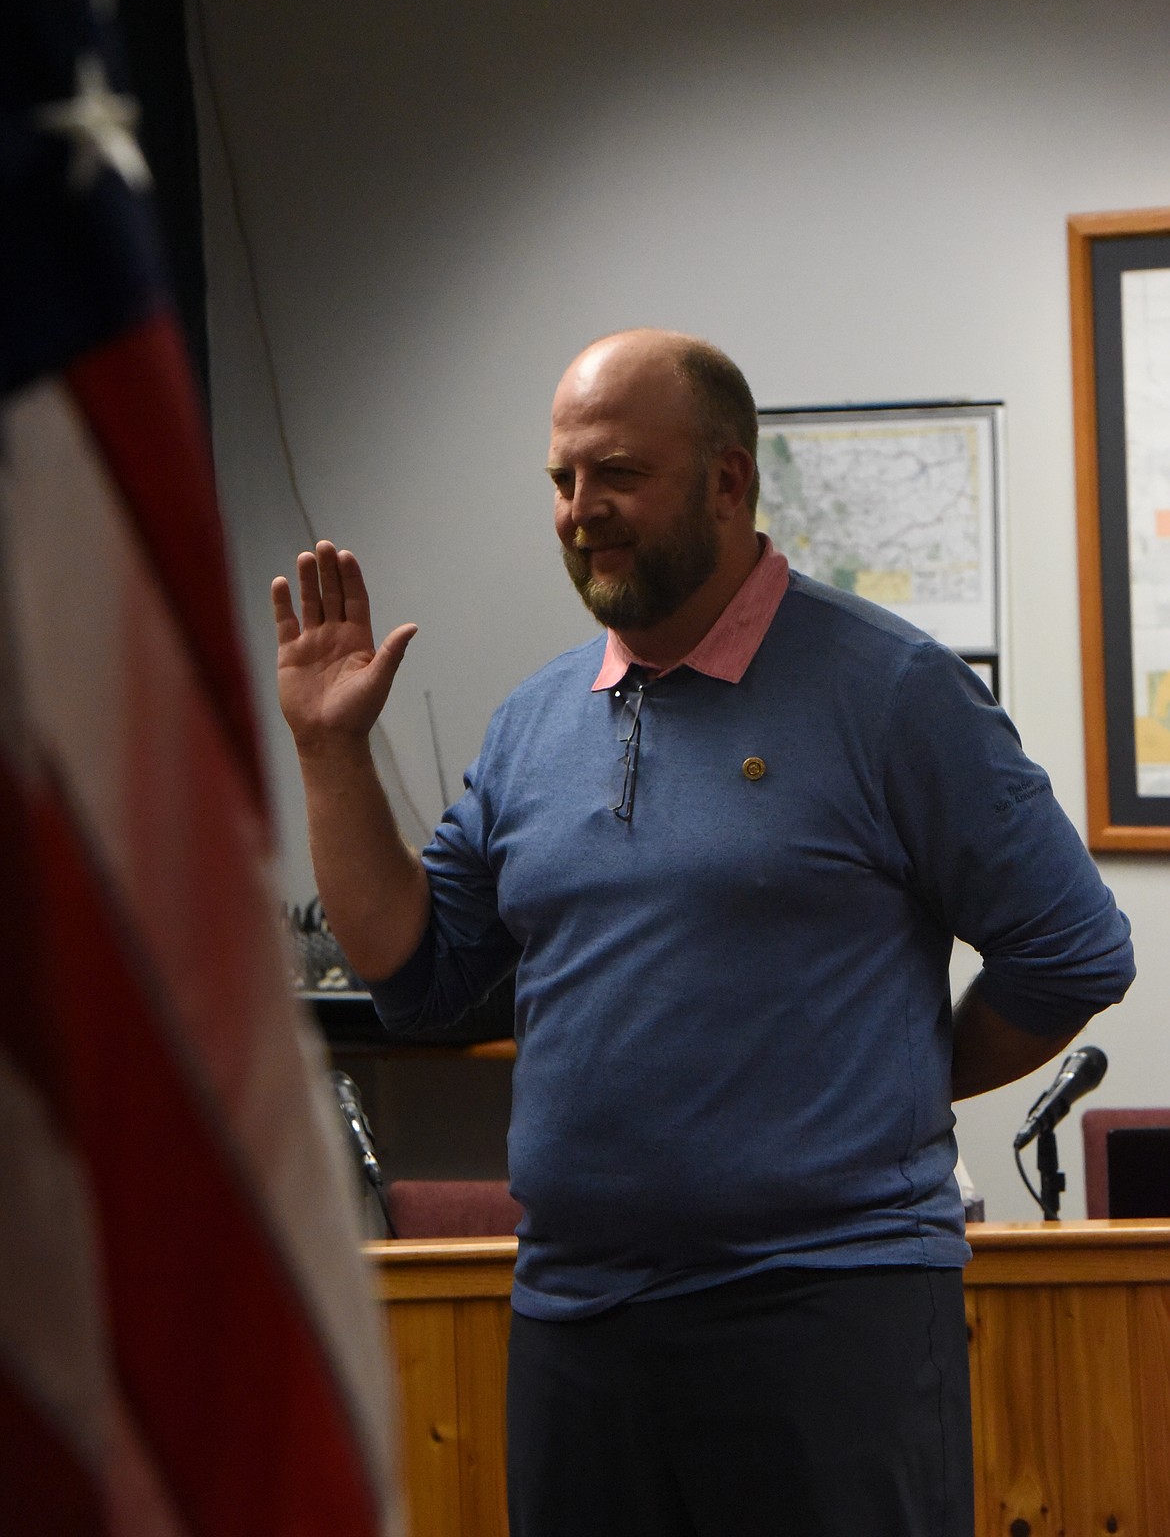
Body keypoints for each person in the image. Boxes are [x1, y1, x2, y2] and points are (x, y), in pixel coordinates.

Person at [273, 328, 1134, 1537]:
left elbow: (1075, 953)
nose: (582, 510)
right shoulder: (534, 724)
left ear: (730, 480)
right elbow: (416, 974)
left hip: (829, 1319)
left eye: (617, 473)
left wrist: (895, 1083)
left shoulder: (892, 692)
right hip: (578, 1320)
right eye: (564, 481)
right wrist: (328, 753)